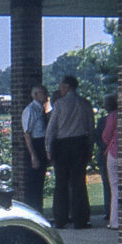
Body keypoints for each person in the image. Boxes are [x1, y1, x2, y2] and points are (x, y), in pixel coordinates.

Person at [45, 75, 95, 229]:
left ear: (67, 87)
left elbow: (52, 128)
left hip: (62, 145)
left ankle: (60, 218)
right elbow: (91, 129)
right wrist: (90, 148)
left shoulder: (59, 105)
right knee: (79, 182)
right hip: (80, 143)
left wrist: (48, 147)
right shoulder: (85, 104)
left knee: (61, 183)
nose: (59, 88)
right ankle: (80, 219)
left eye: (61, 85)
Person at [21, 85, 49, 212]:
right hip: (35, 145)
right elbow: (27, 133)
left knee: (40, 181)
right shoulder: (31, 110)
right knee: (33, 182)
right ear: (35, 95)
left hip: (42, 144)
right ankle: (32, 209)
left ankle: (39, 209)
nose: (46, 95)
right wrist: (33, 155)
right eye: (43, 93)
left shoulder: (41, 110)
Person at [95, 95, 116, 220]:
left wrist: (105, 147)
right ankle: (110, 211)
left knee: (109, 184)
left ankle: (110, 212)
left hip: (107, 153)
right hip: (108, 152)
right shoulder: (103, 120)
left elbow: (100, 137)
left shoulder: (105, 120)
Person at [102, 95, 119, 230]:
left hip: (114, 152)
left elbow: (106, 135)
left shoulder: (113, 116)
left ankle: (115, 221)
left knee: (115, 187)